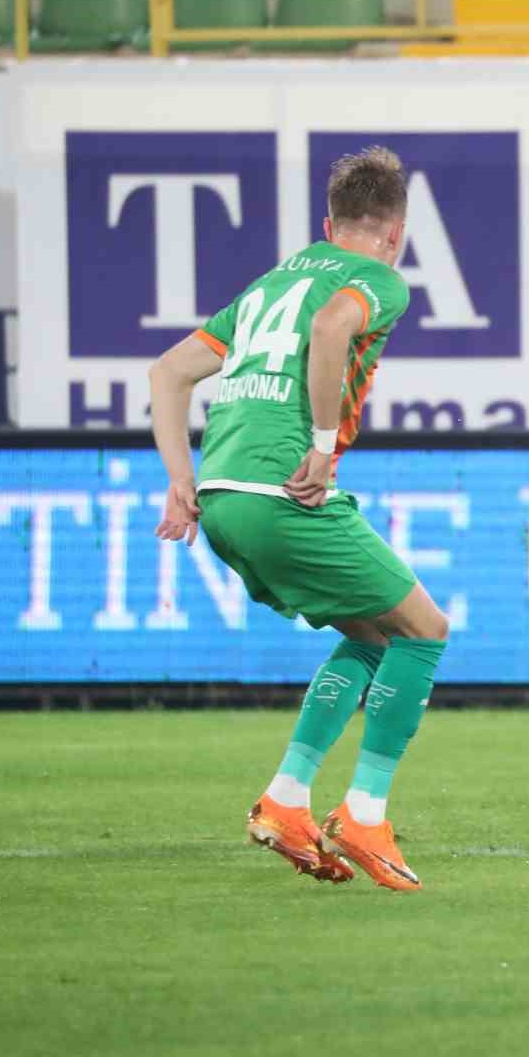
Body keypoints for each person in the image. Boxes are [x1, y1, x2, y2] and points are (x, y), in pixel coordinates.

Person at [147, 147, 448, 892]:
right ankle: (366, 814)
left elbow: (168, 371)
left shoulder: (269, 283)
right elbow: (331, 331)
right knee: (424, 630)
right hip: (285, 494)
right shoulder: (375, 276)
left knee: (373, 635)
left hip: (220, 500)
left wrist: (180, 482)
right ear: (396, 231)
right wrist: (319, 447)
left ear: (327, 222)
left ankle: (286, 799)